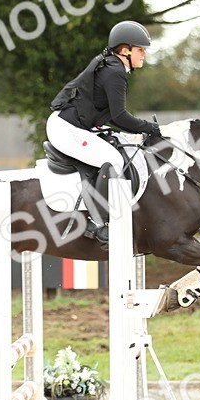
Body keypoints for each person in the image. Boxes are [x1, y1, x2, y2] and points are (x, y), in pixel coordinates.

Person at [48, 21, 163, 246]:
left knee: (117, 148)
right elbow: (120, 116)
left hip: (75, 126)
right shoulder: (115, 72)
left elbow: (111, 116)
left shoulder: (113, 67)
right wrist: (150, 128)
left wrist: (141, 130)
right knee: (112, 159)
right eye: (141, 50)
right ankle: (97, 222)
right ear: (125, 50)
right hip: (66, 129)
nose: (144, 55)